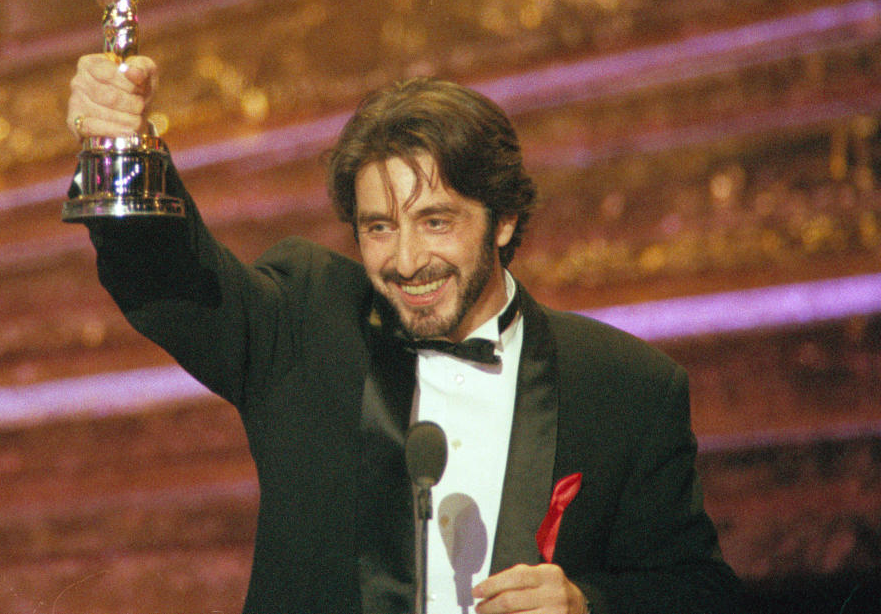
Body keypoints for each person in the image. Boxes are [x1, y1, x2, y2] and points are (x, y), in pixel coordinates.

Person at [66, 54, 746, 614]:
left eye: (437, 221)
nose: (407, 260)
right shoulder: (307, 322)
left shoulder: (624, 386)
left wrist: (587, 604)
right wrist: (123, 148)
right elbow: (177, 279)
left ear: (504, 219)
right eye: (379, 227)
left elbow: (701, 592)